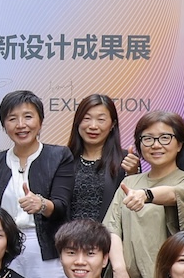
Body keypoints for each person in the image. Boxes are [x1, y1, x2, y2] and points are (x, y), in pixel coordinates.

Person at [106, 109, 184, 278]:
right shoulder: (129, 182)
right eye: (148, 139)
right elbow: (111, 228)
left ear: (180, 144)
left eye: (165, 138)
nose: (156, 145)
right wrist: (119, 270)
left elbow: (172, 194)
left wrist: (146, 195)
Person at [0, 90, 75, 278]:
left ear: (40, 121)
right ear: (4, 125)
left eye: (28, 116)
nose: (21, 125)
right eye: (12, 119)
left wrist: (42, 205)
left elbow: (62, 206)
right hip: (4, 247)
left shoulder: (59, 156)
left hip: (45, 248)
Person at [49, 93, 129, 227]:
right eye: (87, 118)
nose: (93, 126)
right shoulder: (63, 159)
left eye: (101, 120)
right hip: (67, 238)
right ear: (77, 122)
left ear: (113, 124)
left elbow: (130, 208)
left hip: (107, 237)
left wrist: (132, 173)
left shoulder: (125, 160)